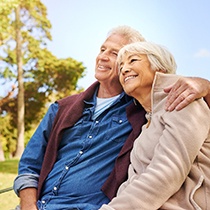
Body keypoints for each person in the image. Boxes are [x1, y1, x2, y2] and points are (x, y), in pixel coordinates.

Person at [13, 25, 210, 210]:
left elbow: (167, 168)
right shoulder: (62, 108)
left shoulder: (144, 110)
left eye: (117, 54)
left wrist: (205, 86)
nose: (104, 57)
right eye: (102, 49)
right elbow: (29, 166)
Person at [99, 41, 210, 210]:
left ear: (160, 67)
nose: (124, 69)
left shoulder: (182, 99)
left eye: (133, 60)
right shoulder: (145, 126)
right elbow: (132, 182)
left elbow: (168, 171)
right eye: (121, 66)